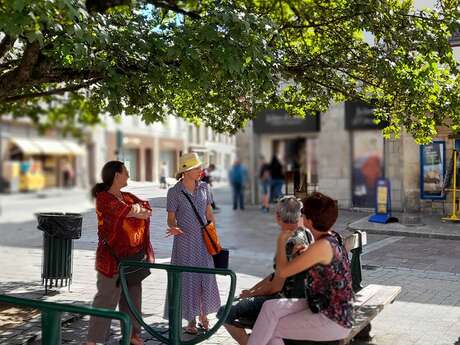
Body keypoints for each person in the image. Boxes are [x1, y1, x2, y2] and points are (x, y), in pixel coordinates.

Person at [244, 192, 353, 345]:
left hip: (333, 319)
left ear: (308, 220)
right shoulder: (330, 238)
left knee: (270, 328)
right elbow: (322, 267)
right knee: (270, 308)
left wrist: (281, 241)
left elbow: (282, 272)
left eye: (302, 213)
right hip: (324, 305)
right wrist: (304, 253)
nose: (299, 217)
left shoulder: (321, 246)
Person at [218, 196, 313, 344]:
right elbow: (276, 275)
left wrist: (251, 294)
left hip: (285, 301)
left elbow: (276, 286)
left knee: (225, 311)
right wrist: (252, 290)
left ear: (277, 216)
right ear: (299, 215)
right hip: (302, 297)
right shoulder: (306, 233)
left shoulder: (289, 242)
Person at [86, 161, 155, 345]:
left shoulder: (127, 196)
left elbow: (147, 210)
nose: (128, 176)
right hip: (111, 259)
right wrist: (134, 211)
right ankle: (93, 340)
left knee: (133, 297)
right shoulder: (104, 198)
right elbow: (124, 210)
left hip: (132, 258)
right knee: (106, 299)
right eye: (126, 172)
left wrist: (135, 211)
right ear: (116, 175)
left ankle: (132, 336)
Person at [165, 152, 221, 334]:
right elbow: (171, 218)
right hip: (184, 242)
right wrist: (173, 227)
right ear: (186, 171)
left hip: (203, 242)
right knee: (188, 278)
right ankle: (191, 320)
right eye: (197, 168)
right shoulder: (174, 192)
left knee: (204, 276)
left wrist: (213, 234)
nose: (200, 170)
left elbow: (209, 213)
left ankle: (204, 315)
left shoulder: (205, 187)